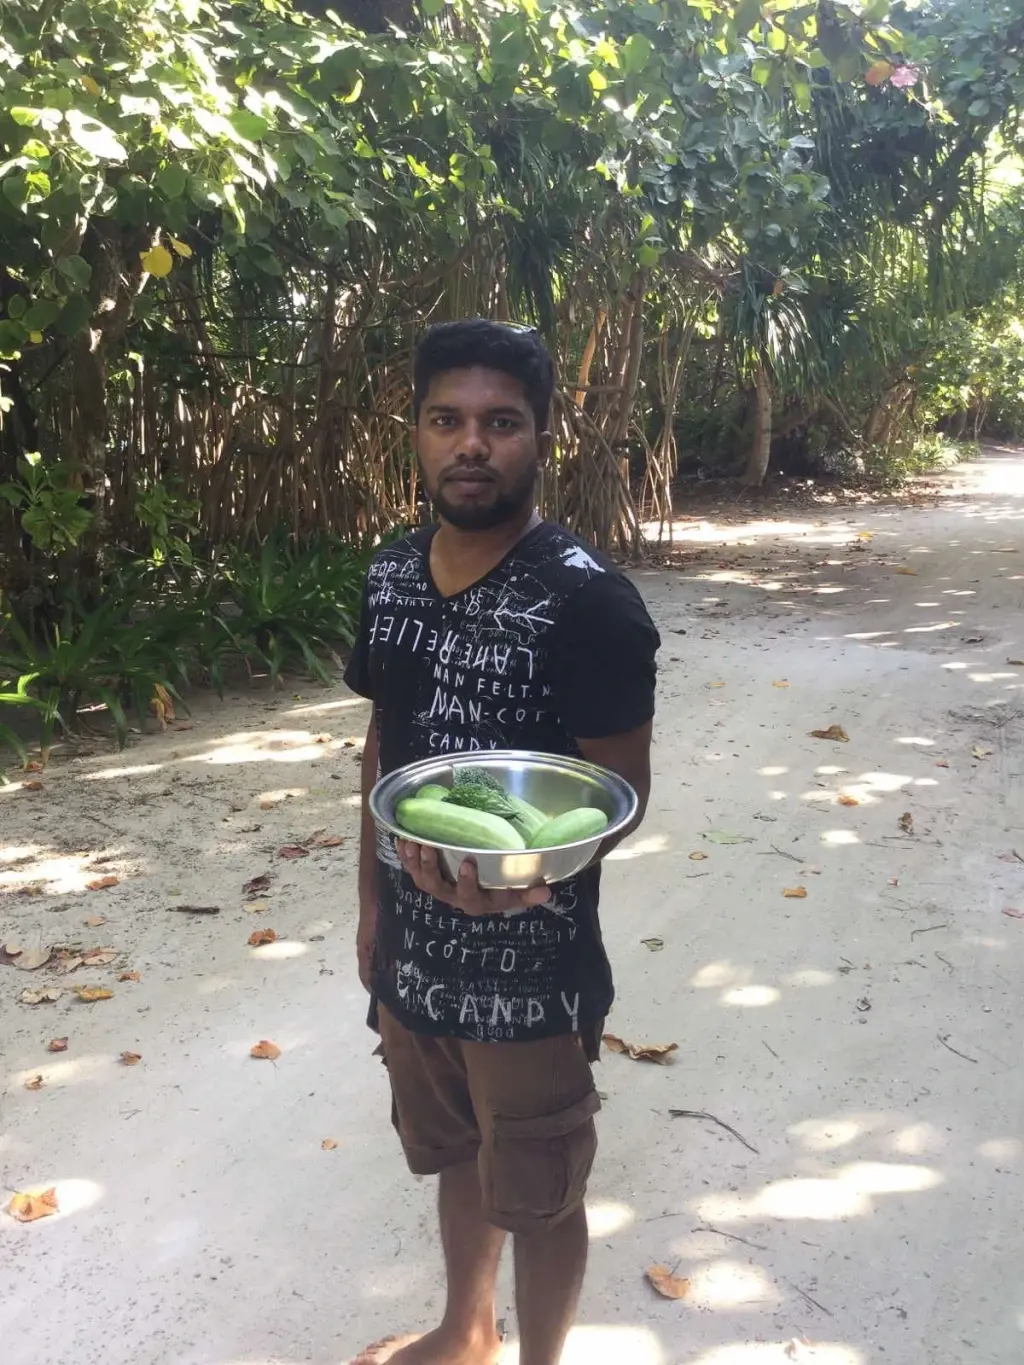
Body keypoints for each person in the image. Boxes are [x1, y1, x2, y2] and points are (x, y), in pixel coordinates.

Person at [345, 319, 660, 1365]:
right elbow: (384, 745)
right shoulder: (389, 576)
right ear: (419, 433)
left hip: (529, 962)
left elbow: (620, 794)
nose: (470, 444)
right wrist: (370, 905)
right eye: (448, 420)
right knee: (450, 1152)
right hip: (414, 954)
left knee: (535, 1181)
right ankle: (464, 1327)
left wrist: (517, 877)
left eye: (499, 423)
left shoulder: (589, 601)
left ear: (540, 438)